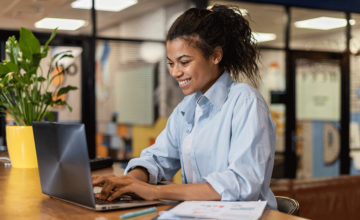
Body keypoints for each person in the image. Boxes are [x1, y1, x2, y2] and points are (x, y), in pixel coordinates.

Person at [92, 4, 277, 210]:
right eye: (171, 63)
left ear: (216, 56)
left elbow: (242, 184)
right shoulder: (187, 107)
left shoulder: (246, 102)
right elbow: (158, 158)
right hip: (200, 213)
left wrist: (156, 192)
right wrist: (132, 180)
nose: (175, 72)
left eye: (184, 62)